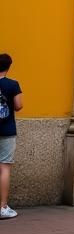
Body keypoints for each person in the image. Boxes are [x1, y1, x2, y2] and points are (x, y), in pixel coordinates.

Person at [0, 53, 23, 220]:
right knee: (4, 167)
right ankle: (2, 207)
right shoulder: (13, 85)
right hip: (7, 129)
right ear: (9, 66)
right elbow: (18, 105)